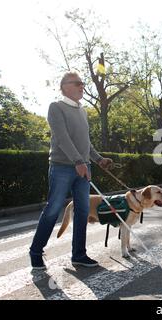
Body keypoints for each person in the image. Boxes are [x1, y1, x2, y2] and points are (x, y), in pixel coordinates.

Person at [29, 71, 113, 270]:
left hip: (83, 168)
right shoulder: (56, 107)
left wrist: (99, 159)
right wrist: (78, 161)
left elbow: (86, 143)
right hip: (62, 168)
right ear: (65, 86)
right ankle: (35, 252)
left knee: (83, 212)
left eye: (82, 83)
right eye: (78, 83)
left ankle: (79, 255)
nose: (82, 86)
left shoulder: (82, 111)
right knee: (53, 209)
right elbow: (61, 138)